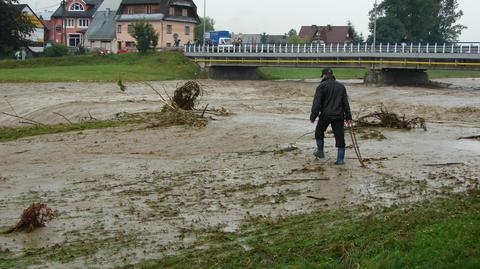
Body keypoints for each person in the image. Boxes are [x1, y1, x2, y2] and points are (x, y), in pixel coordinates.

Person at [310, 68, 352, 165]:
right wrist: (349, 117)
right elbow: (345, 103)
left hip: (325, 115)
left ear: (324, 75)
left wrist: (313, 116)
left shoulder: (321, 86)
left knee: (319, 132)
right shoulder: (341, 86)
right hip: (339, 116)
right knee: (340, 137)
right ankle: (340, 160)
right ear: (332, 75)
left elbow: (316, 103)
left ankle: (320, 152)